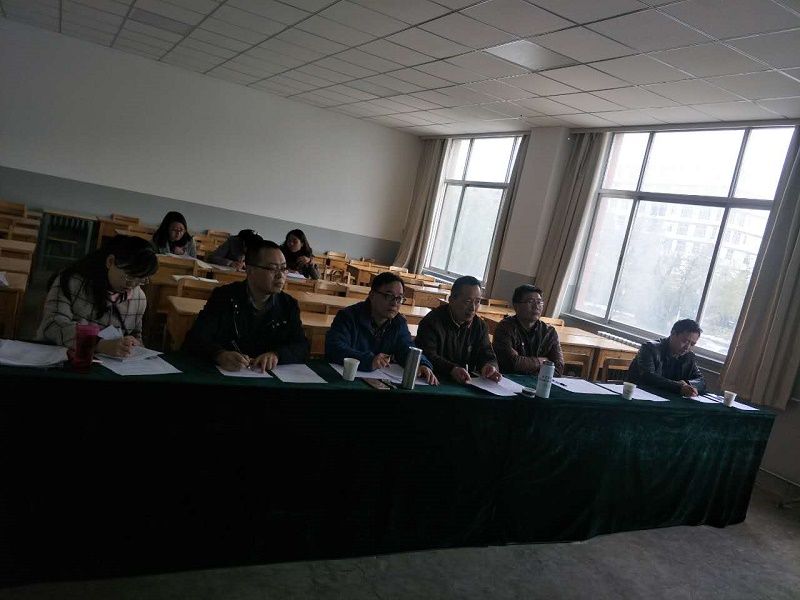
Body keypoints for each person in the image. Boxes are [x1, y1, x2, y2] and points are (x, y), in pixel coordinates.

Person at [182, 239, 309, 372]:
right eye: (272, 268)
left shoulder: (288, 305)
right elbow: (196, 338)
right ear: (250, 270)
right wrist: (219, 355)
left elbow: (302, 346)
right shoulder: (224, 296)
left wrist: (277, 355)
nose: (280, 275)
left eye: (283, 268)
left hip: (265, 376)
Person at [36, 234, 158, 357]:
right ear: (110, 262)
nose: (132, 284)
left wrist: (132, 344)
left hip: (109, 364)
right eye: (129, 275)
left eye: (141, 279)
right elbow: (53, 324)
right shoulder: (71, 281)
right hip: (60, 358)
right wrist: (99, 344)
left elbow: (136, 335)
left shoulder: (139, 298)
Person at [325, 271, 438, 384]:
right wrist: (369, 360)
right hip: (344, 379)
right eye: (389, 296)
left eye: (399, 298)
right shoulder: (349, 316)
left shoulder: (398, 323)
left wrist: (421, 364)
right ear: (372, 295)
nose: (394, 303)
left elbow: (406, 348)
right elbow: (334, 347)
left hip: (378, 382)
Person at [414, 275, 500, 384]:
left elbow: (487, 354)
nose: (473, 308)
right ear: (451, 300)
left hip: (466, 382)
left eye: (477, 302)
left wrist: (489, 365)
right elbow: (427, 355)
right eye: (467, 301)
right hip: (433, 380)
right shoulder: (432, 321)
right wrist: (451, 369)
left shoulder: (479, 326)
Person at [492, 285, 564, 376]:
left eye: (539, 302)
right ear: (516, 306)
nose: (536, 306)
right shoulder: (505, 328)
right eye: (530, 301)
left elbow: (558, 367)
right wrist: (543, 361)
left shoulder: (549, 332)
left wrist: (523, 363)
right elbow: (510, 363)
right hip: (508, 379)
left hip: (538, 381)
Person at [626, 318, 706, 396]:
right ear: (673, 333)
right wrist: (678, 387)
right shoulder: (650, 348)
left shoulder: (689, 356)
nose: (687, 347)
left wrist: (687, 385)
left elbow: (701, 381)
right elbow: (648, 377)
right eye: (685, 341)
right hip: (639, 394)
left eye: (692, 344)